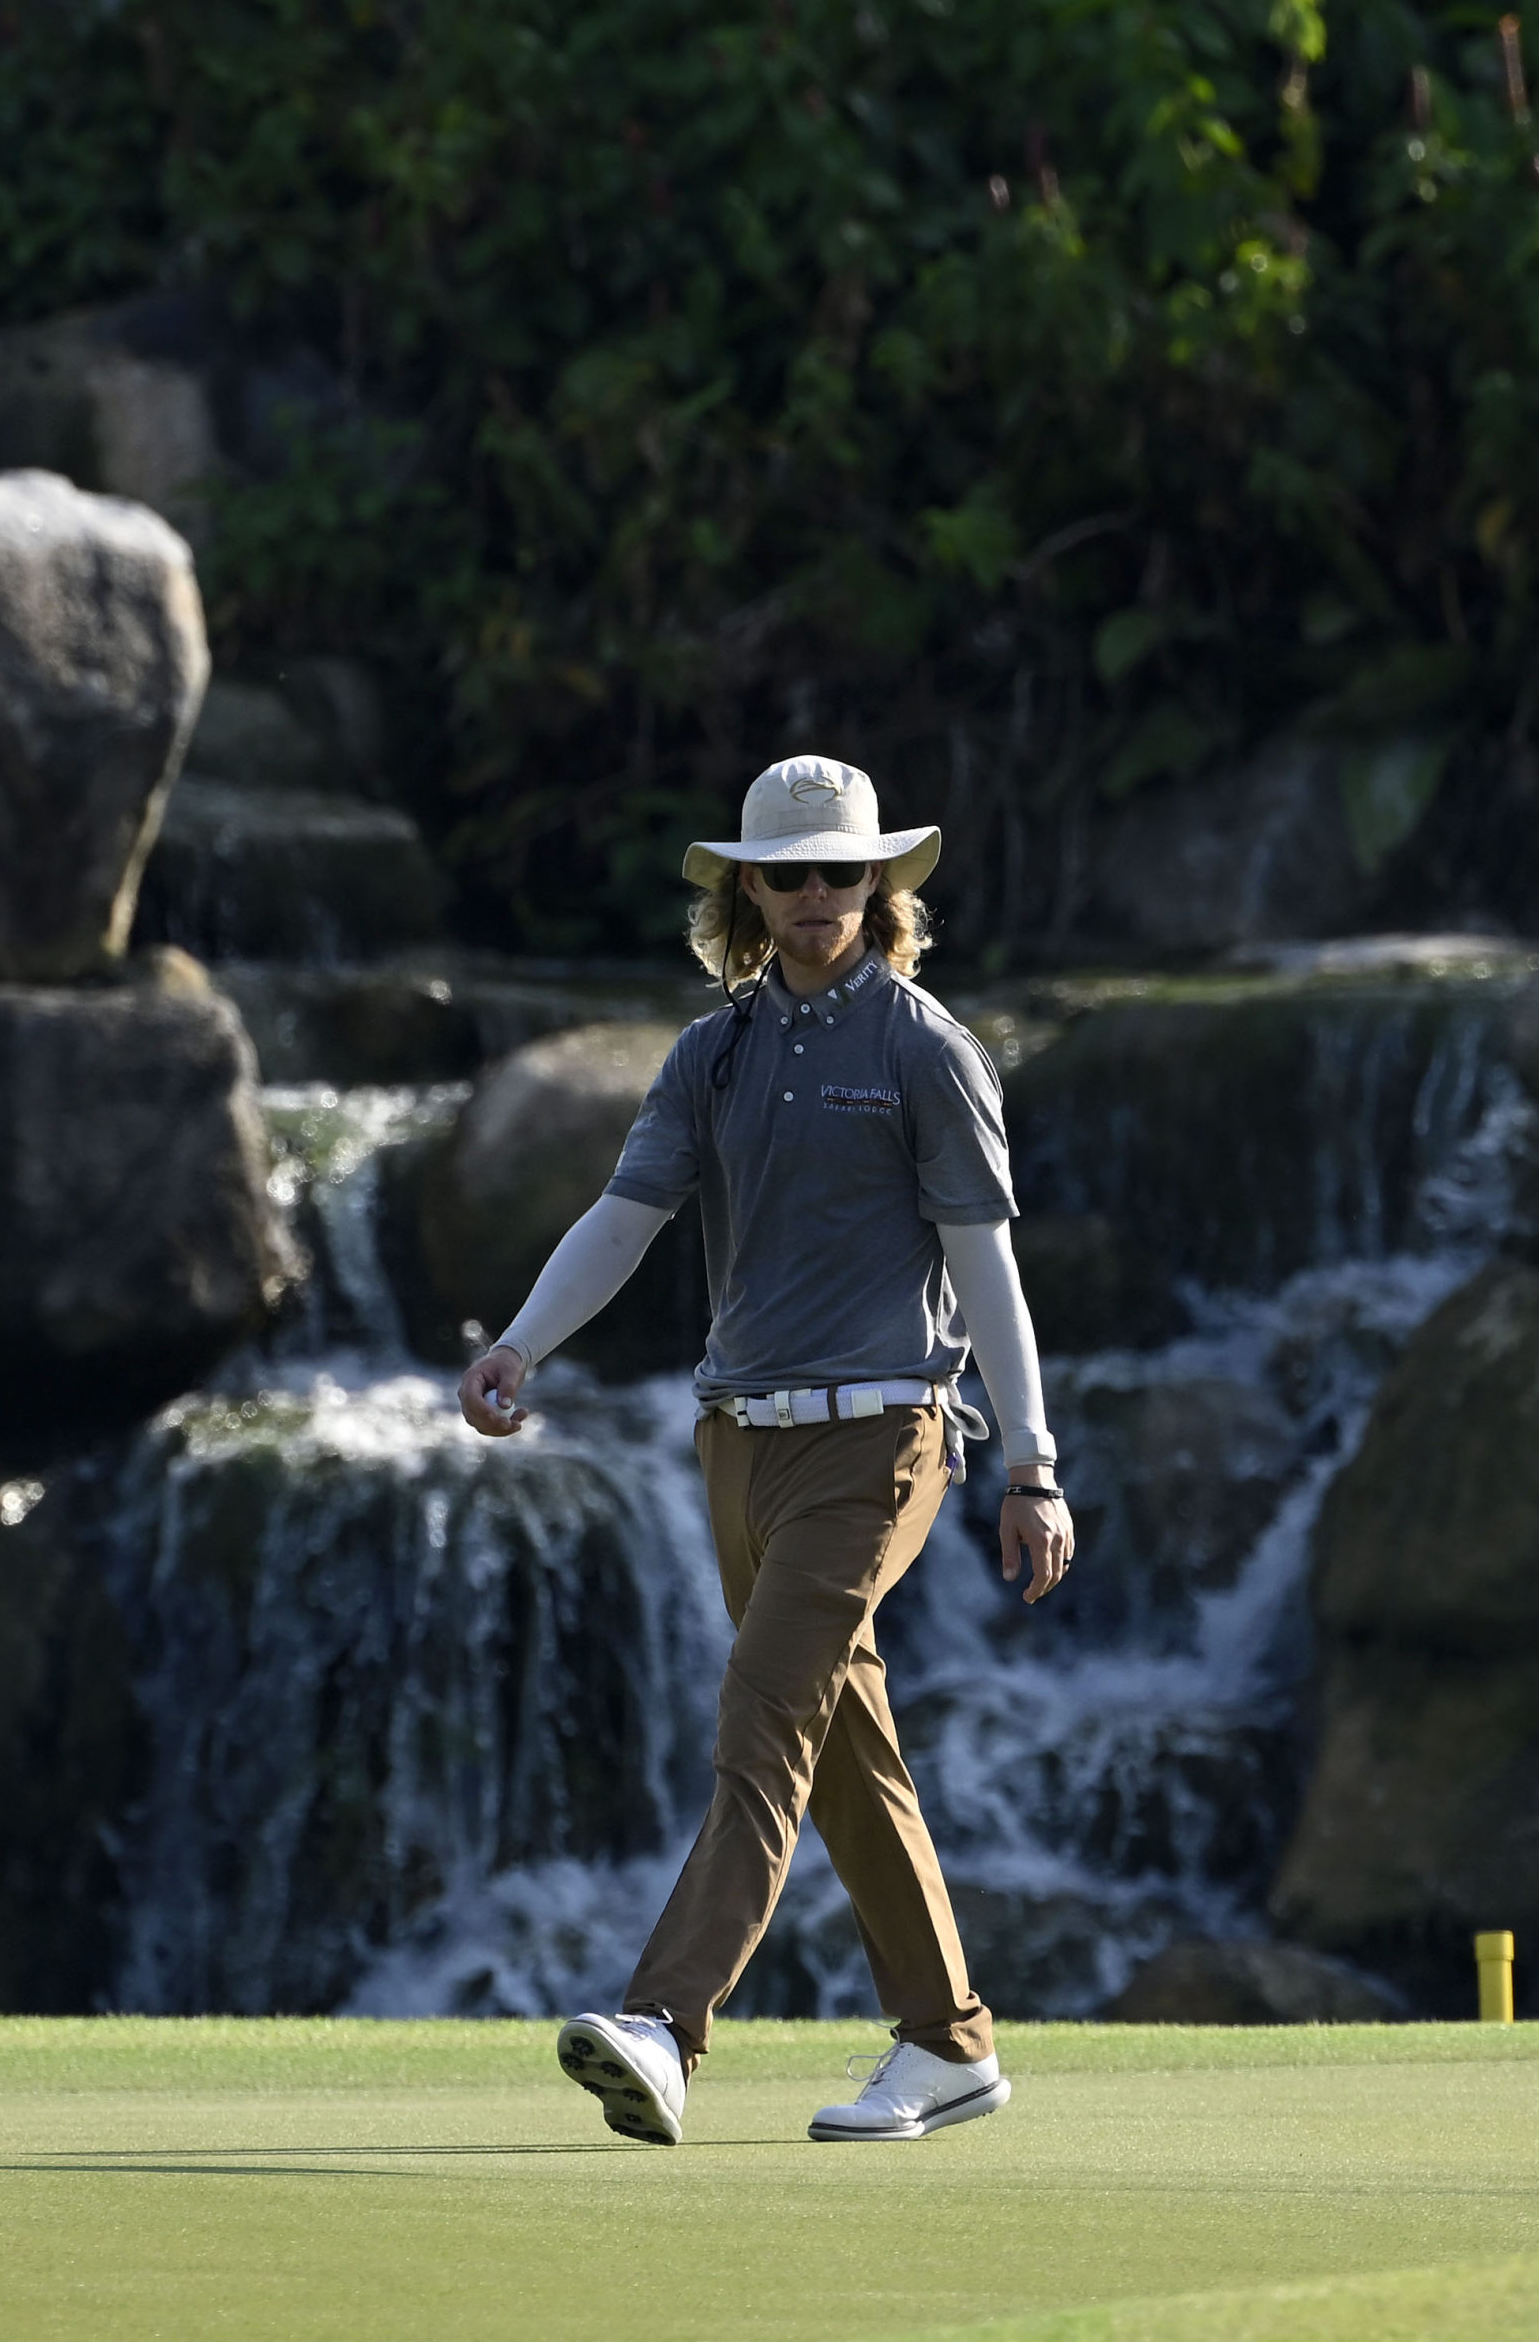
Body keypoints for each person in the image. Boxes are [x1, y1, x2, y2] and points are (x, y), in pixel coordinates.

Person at [457, 753, 1075, 2148]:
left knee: (759, 1727)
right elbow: (625, 1219)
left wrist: (1032, 1463)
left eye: (842, 873)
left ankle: (667, 2025)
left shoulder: (925, 1049)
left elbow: (987, 1269)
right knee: (842, 1746)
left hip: (884, 1439)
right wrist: (521, 1346)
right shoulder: (712, 1051)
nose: (816, 897)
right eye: (790, 874)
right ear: (749, 885)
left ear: (880, 885)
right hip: (741, 1447)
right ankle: (948, 2045)